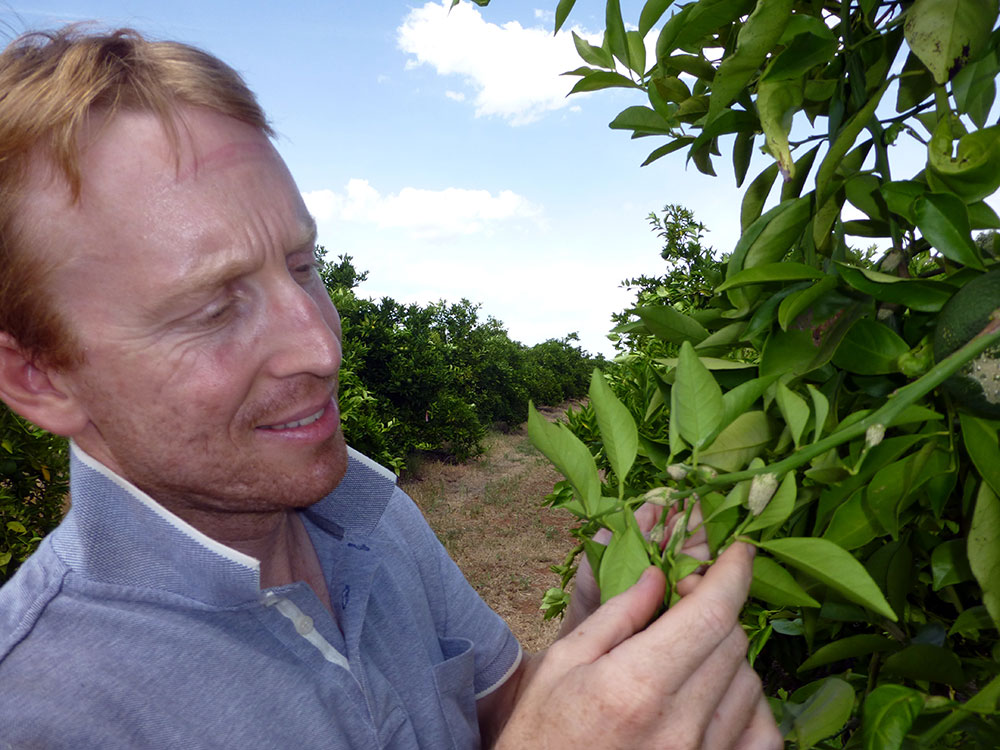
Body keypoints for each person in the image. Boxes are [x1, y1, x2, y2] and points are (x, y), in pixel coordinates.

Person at [0, 26, 782, 749]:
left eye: (306, 268)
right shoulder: (45, 710)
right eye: (214, 307)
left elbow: (501, 710)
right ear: (39, 375)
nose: (320, 344)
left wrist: (606, 629)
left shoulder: (367, 519)